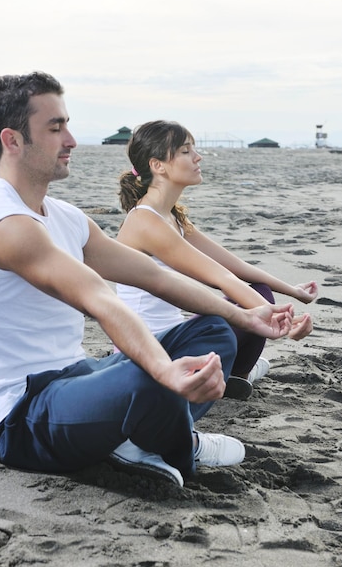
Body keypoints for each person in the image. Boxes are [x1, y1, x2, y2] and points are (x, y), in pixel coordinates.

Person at [0, 73, 294, 489]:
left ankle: (138, 434)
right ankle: (179, 445)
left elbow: (152, 276)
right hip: (21, 415)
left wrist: (245, 315)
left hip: (77, 376)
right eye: (55, 127)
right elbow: (99, 298)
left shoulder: (65, 217)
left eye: (68, 124)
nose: (72, 139)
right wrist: (163, 371)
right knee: (148, 377)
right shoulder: (6, 225)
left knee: (212, 330)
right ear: (13, 141)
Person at [116, 120, 317, 398]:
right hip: (151, 352)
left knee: (258, 290)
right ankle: (231, 375)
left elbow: (235, 267)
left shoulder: (171, 216)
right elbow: (220, 278)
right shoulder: (145, 221)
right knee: (243, 306)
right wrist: (283, 321)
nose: (197, 157)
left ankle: (234, 377)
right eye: (186, 151)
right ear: (158, 165)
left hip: (175, 338)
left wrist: (293, 291)